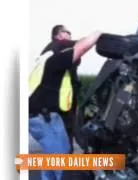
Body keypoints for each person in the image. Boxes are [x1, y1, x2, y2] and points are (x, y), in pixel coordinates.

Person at [29, 25, 102, 180]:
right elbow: (81, 47)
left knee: (51, 160)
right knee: (65, 165)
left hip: (37, 117)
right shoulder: (58, 51)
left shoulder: (46, 54)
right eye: (67, 32)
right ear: (58, 35)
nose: (70, 35)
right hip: (46, 118)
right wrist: (99, 34)